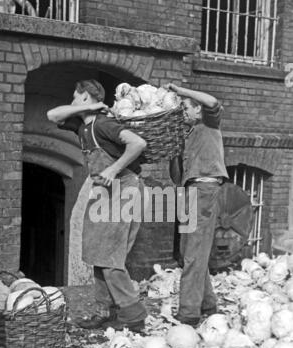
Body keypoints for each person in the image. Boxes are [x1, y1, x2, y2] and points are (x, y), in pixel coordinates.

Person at [47, 80, 147, 333]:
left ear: (84, 98)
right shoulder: (82, 126)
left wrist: (113, 169)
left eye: (74, 96)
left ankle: (134, 315)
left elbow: (138, 144)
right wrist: (91, 107)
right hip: (103, 191)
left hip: (124, 187)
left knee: (110, 254)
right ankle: (106, 311)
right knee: (96, 251)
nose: (71, 101)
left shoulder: (104, 124)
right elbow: (52, 115)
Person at [167, 83, 229, 328]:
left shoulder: (209, 123)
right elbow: (176, 177)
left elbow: (212, 101)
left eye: (186, 109)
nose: (183, 113)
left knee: (194, 251)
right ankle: (207, 304)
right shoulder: (186, 135)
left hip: (205, 189)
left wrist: (181, 91)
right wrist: (173, 151)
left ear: (198, 110)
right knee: (189, 250)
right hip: (190, 190)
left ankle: (189, 313)